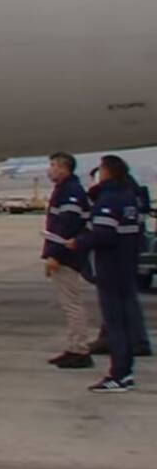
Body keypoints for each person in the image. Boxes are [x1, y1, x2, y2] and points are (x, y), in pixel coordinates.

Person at [65, 156, 145, 392]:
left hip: (111, 268)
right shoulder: (130, 198)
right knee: (125, 322)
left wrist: (79, 243)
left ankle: (119, 375)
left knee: (115, 323)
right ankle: (125, 371)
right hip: (127, 266)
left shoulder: (108, 199)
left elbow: (105, 235)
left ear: (107, 172)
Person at [40, 152, 94, 368]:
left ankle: (79, 349)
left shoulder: (69, 191)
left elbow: (66, 227)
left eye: (53, 165)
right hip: (65, 253)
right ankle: (74, 347)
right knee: (69, 303)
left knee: (71, 303)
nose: (49, 169)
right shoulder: (66, 189)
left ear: (64, 168)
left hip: (66, 255)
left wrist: (54, 255)